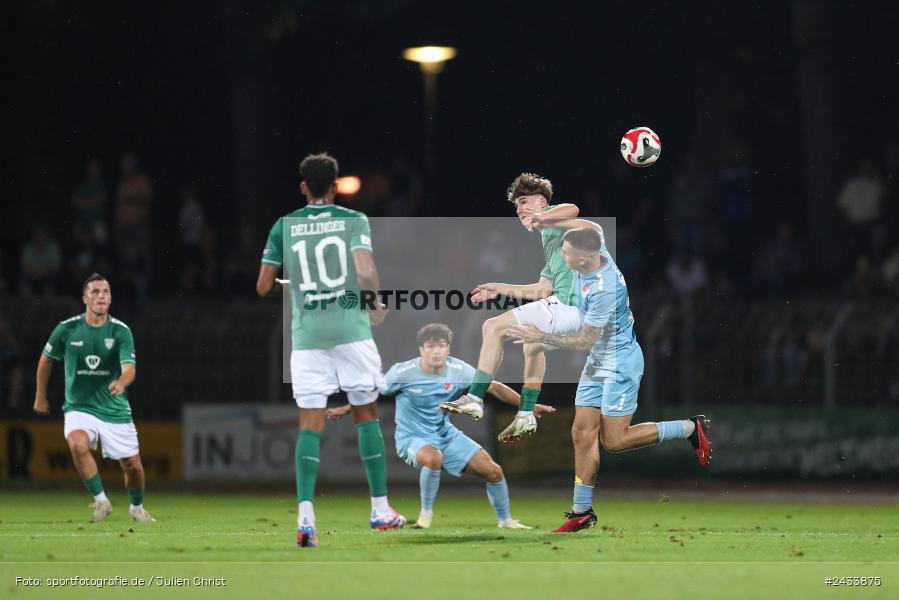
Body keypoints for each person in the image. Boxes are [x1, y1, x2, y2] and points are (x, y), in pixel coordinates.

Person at [506, 228, 712, 533]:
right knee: (581, 431)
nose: (562, 256)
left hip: (620, 364)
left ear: (584, 258)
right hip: (597, 361)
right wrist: (543, 217)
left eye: (566, 253)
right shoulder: (595, 250)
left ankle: (688, 428)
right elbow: (593, 226)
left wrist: (540, 337)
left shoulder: (604, 288)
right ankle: (581, 511)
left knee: (614, 441)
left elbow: (584, 340)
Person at [256, 152, 402, 548]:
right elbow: (366, 270)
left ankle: (305, 518)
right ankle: (380, 509)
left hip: (308, 338)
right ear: (336, 186)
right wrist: (373, 304)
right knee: (365, 413)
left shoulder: (283, 226)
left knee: (309, 422)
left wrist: (297, 283)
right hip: (350, 329)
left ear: (303, 187)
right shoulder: (354, 221)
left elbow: (263, 286)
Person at [328, 323, 555, 529]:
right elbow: (372, 392)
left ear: (448, 349)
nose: (436, 351)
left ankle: (505, 521)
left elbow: (493, 387)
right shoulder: (402, 372)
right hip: (412, 438)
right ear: (421, 350)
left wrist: (528, 405)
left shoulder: (458, 370)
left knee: (494, 472)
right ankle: (425, 515)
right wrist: (345, 409)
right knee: (433, 458)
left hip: (446, 435)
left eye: (442, 346)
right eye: (430, 346)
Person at [441, 173, 581, 442]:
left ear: (543, 202)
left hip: (572, 308)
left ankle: (474, 398)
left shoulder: (556, 221)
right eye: (517, 206)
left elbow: (573, 209)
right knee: (532, 343)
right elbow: (542, 290)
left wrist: (543, 216)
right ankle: (526, 414)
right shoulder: (553, 246)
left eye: (526, 202)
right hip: (573, 312)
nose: (520, 210)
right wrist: (500, 288)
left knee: (492, 326)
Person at [33, 273, 154, 523]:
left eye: (106, 292)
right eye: (96, 292)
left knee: (132, 465)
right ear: (85, 298)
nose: (101, 296)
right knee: (77, 444)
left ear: (110, 298)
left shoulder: (121, 331)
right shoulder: (66, 329)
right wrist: (40, 396)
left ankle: (136, 507)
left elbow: (130, 368)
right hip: (79, 406)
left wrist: (121, 382)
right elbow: (46, 360)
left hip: (114, 408)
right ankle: (101, 501)